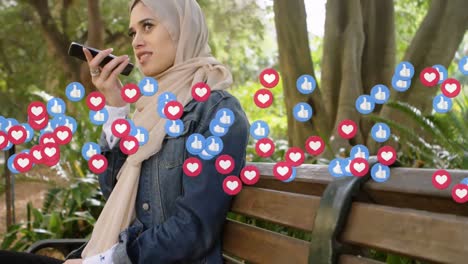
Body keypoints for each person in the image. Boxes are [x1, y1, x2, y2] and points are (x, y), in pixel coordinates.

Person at [0, 0, 249, 263]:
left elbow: (193, 230)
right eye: (133, 32)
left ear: (183, 29)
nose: (136, 41)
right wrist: (116, 107)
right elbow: (115, 196)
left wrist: (104, 261)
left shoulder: (217, 113)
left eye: (148, 26)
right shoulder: (151, 108)